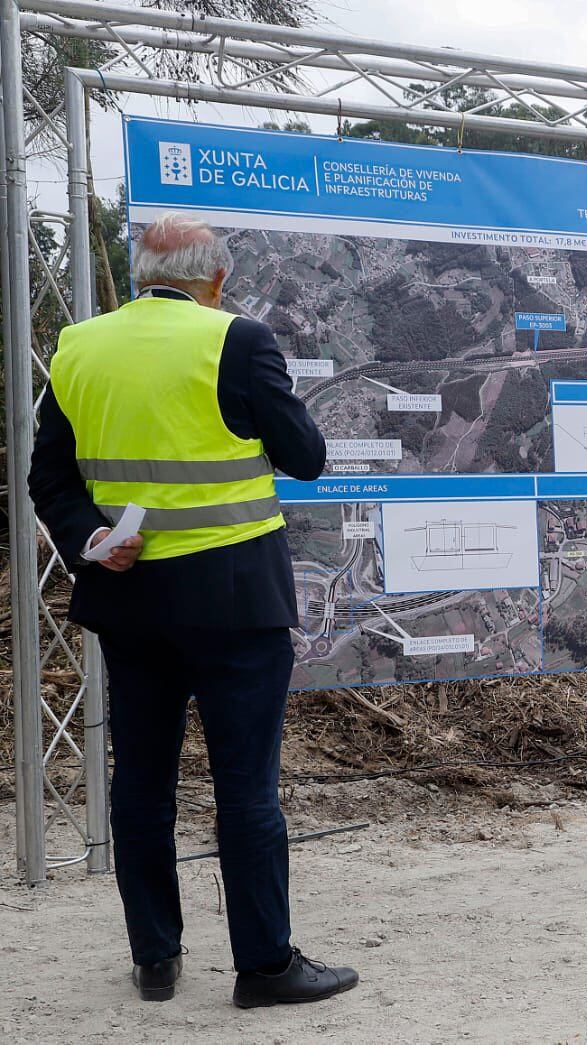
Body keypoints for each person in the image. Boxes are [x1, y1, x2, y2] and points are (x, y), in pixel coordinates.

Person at [28, 212, 358, 1005]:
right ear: (216, 280)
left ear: (141, 274)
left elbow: (51, 480)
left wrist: (92, 537)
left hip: (130, 600)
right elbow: (307, 458)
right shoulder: (237, 339)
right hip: (237, 603)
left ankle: (155, 958)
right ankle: (265, 966)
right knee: (246, 787)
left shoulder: (80, 346)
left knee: (141, 781)